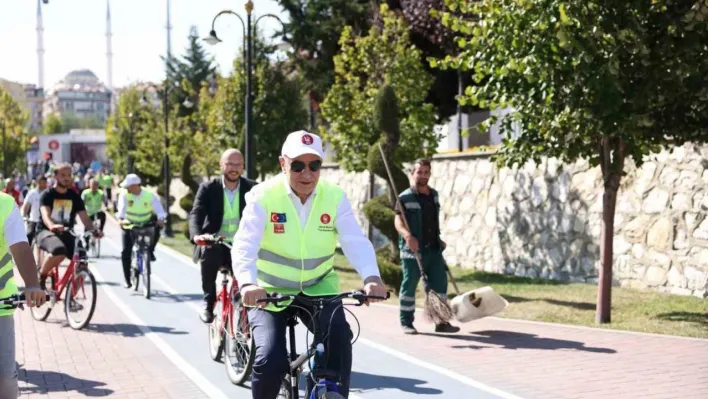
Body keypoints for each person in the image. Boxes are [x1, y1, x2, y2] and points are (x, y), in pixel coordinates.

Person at [232, 130, 388, 399]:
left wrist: (371, 277)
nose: (307, 174)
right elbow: (245, 244)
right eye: (298, 165)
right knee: (270, 360)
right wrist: (247, 282)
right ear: (283, 164)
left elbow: (354, 240)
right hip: (270, 292)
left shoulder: (334, 196)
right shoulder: (263, 196)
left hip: (319, 287)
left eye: (314, 165)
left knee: (339, 342)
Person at [189, 149, 257, 323]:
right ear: (221, 165)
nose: (234, 168)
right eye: (229, 164)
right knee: (208, 252)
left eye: (238, 164)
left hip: (242, 246)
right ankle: (208, 302)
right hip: (216, 243)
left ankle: (247, 315)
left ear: (242, 166)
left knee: (251, 278)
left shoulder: (253, 188)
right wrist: (197, 235)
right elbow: (196, 213)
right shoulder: (208, 188)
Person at [394, 158, 459, 335]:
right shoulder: (404, 197)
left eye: (426, 172)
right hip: (413, 251)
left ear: (429, 174)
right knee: (410, 286)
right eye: (419, 172)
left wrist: (439, 240)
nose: (423, 175)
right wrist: (408, 236)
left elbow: (432, 221)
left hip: (434, 249)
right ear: (412, 174)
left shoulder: (434, 194)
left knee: (440, 285)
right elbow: (398, 221)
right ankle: (406, 322)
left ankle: (441, 322)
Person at [0, 191, 47, 399]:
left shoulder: (4, 204)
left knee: (4, 377)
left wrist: (32, 284)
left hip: (0, 307)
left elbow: (20, 246)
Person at [36, 163, 99, 291]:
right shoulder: (47, 195)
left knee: (82, 260)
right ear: (55, 176)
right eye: (63, 175)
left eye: (69, 175)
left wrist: (94, 230)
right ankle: (41, 277)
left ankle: (71, 297)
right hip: (46, 232)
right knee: (59, 250)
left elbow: (85, 218)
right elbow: (45, 215)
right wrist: (52, 226)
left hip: (66, 232)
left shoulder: (74, 196)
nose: (67, 178)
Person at [116, 174, 166, 289]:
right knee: (125, 251)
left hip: (145, 223)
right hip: (130, 224)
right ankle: (127, 280)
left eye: (128, 186)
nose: (126, 188)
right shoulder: (125, 195)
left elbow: (159, 208)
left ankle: (150, 251)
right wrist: (121, 220)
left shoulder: (148, 195)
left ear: (135, 186)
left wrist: (161, 218)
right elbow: (121, 209)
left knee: (157, 228)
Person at [21, 175, 48, 246]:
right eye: (42, 182)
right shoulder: (32, 193)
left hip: (45, 221)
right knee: (28, 235)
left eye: (45, 182)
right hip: (33, 220)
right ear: (37, 182)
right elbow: (26, 206)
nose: (44, 184)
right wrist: (23, 216)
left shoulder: (48, 193)